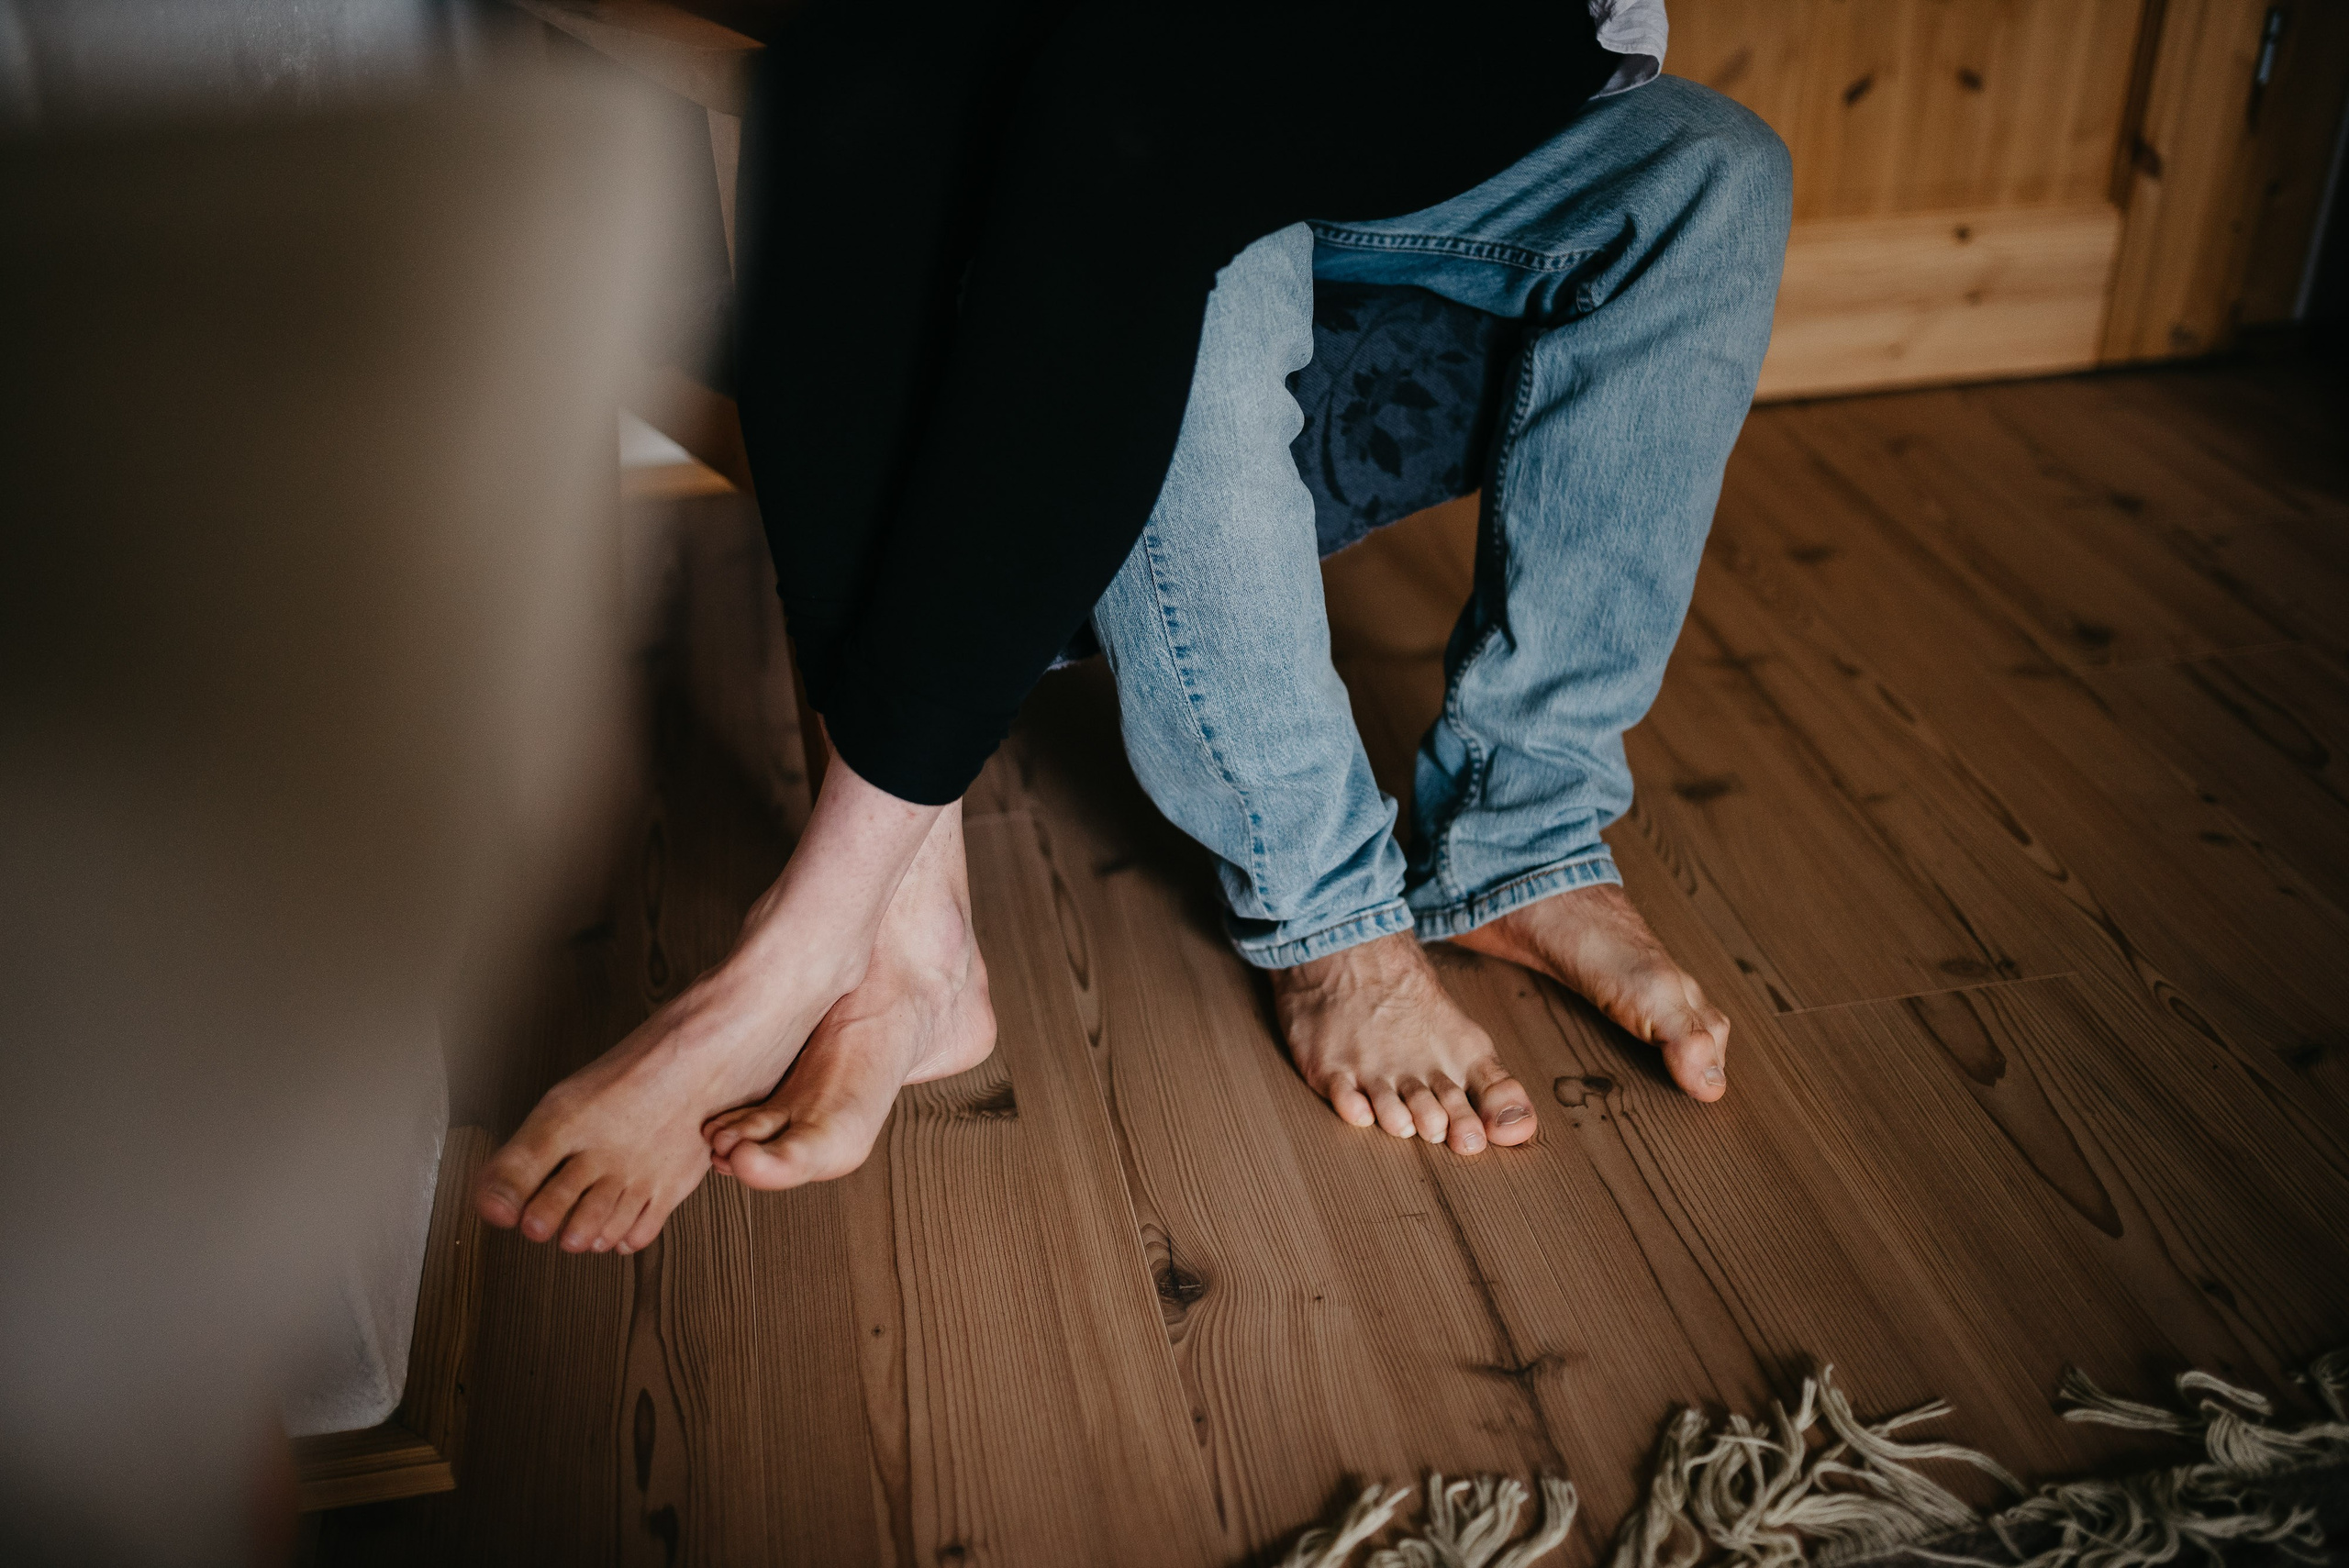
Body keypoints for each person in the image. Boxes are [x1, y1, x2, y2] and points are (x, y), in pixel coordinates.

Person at [475, 0, 1789, 1254]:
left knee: (1714, 176)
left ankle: (1529, 835)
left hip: (1423, 45)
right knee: (1092, 125)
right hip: (1157, 82)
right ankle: (1296, 917)